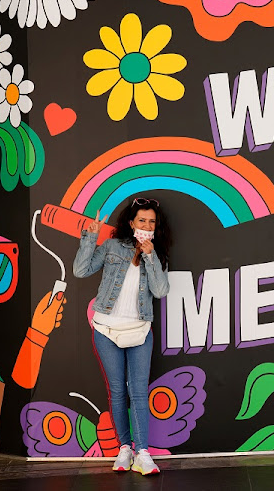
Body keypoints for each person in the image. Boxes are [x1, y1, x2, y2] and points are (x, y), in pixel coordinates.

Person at [73, 198, 171, 475]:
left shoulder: (158, 255)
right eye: (142, 220)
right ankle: (124, 449)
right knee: (117, 392)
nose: (147, 226)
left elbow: (161, 291)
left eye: (151, 222)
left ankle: (143, 453)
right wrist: (90, 236)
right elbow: (80, 270)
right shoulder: (114, 246)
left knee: (138, 392)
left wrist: (150, 256)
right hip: (106, 328)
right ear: (131, 223)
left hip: (139, 329)